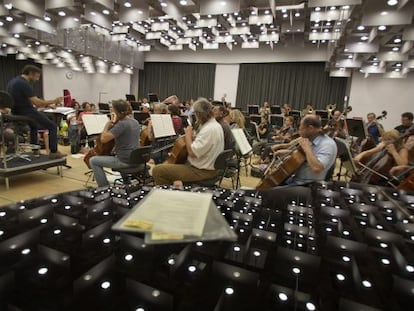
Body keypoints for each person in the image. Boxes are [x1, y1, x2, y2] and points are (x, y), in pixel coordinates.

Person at [152, 97, 224, 185]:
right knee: (168, 166)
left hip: (200, 171)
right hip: (208, 168)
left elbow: (192, 153)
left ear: (199, 114)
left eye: (196, 114)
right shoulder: (215, 126)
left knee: (158, 170)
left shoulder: (209, 129)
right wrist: (194, 137)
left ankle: (167, 195)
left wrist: (188, 136)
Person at [7, 65, 65, 159]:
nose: (37, 79)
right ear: (30, 73)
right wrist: (54, 101)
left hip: (16, 112)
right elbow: (37, 103)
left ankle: (35, 150)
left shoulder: (12, 82)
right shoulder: (24, 84)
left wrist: (47, 105)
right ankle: (54, 152)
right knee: (53, 126)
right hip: (26, 112)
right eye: (37, 76)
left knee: (34, 126)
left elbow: (24, 100)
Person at [269, 115, 337, 186]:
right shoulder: (311, 138)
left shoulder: (327, 145)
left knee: (267, 194)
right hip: (297, 180)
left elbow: (317, 168)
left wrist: (307, 148)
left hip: (308, 185)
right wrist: (287, 153)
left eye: (301, 128)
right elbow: (304, 157)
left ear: (310, 128)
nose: (299, 130)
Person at [89, 100, 140, 187]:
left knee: (93, 160)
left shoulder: (122, 125)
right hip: (136, 158)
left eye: (112, 109)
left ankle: (104, 187)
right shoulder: (134, 121)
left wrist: (107, 125)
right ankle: (126, 183)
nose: (111, 111)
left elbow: (103, 139)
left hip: (125, 160)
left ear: (116, 112)